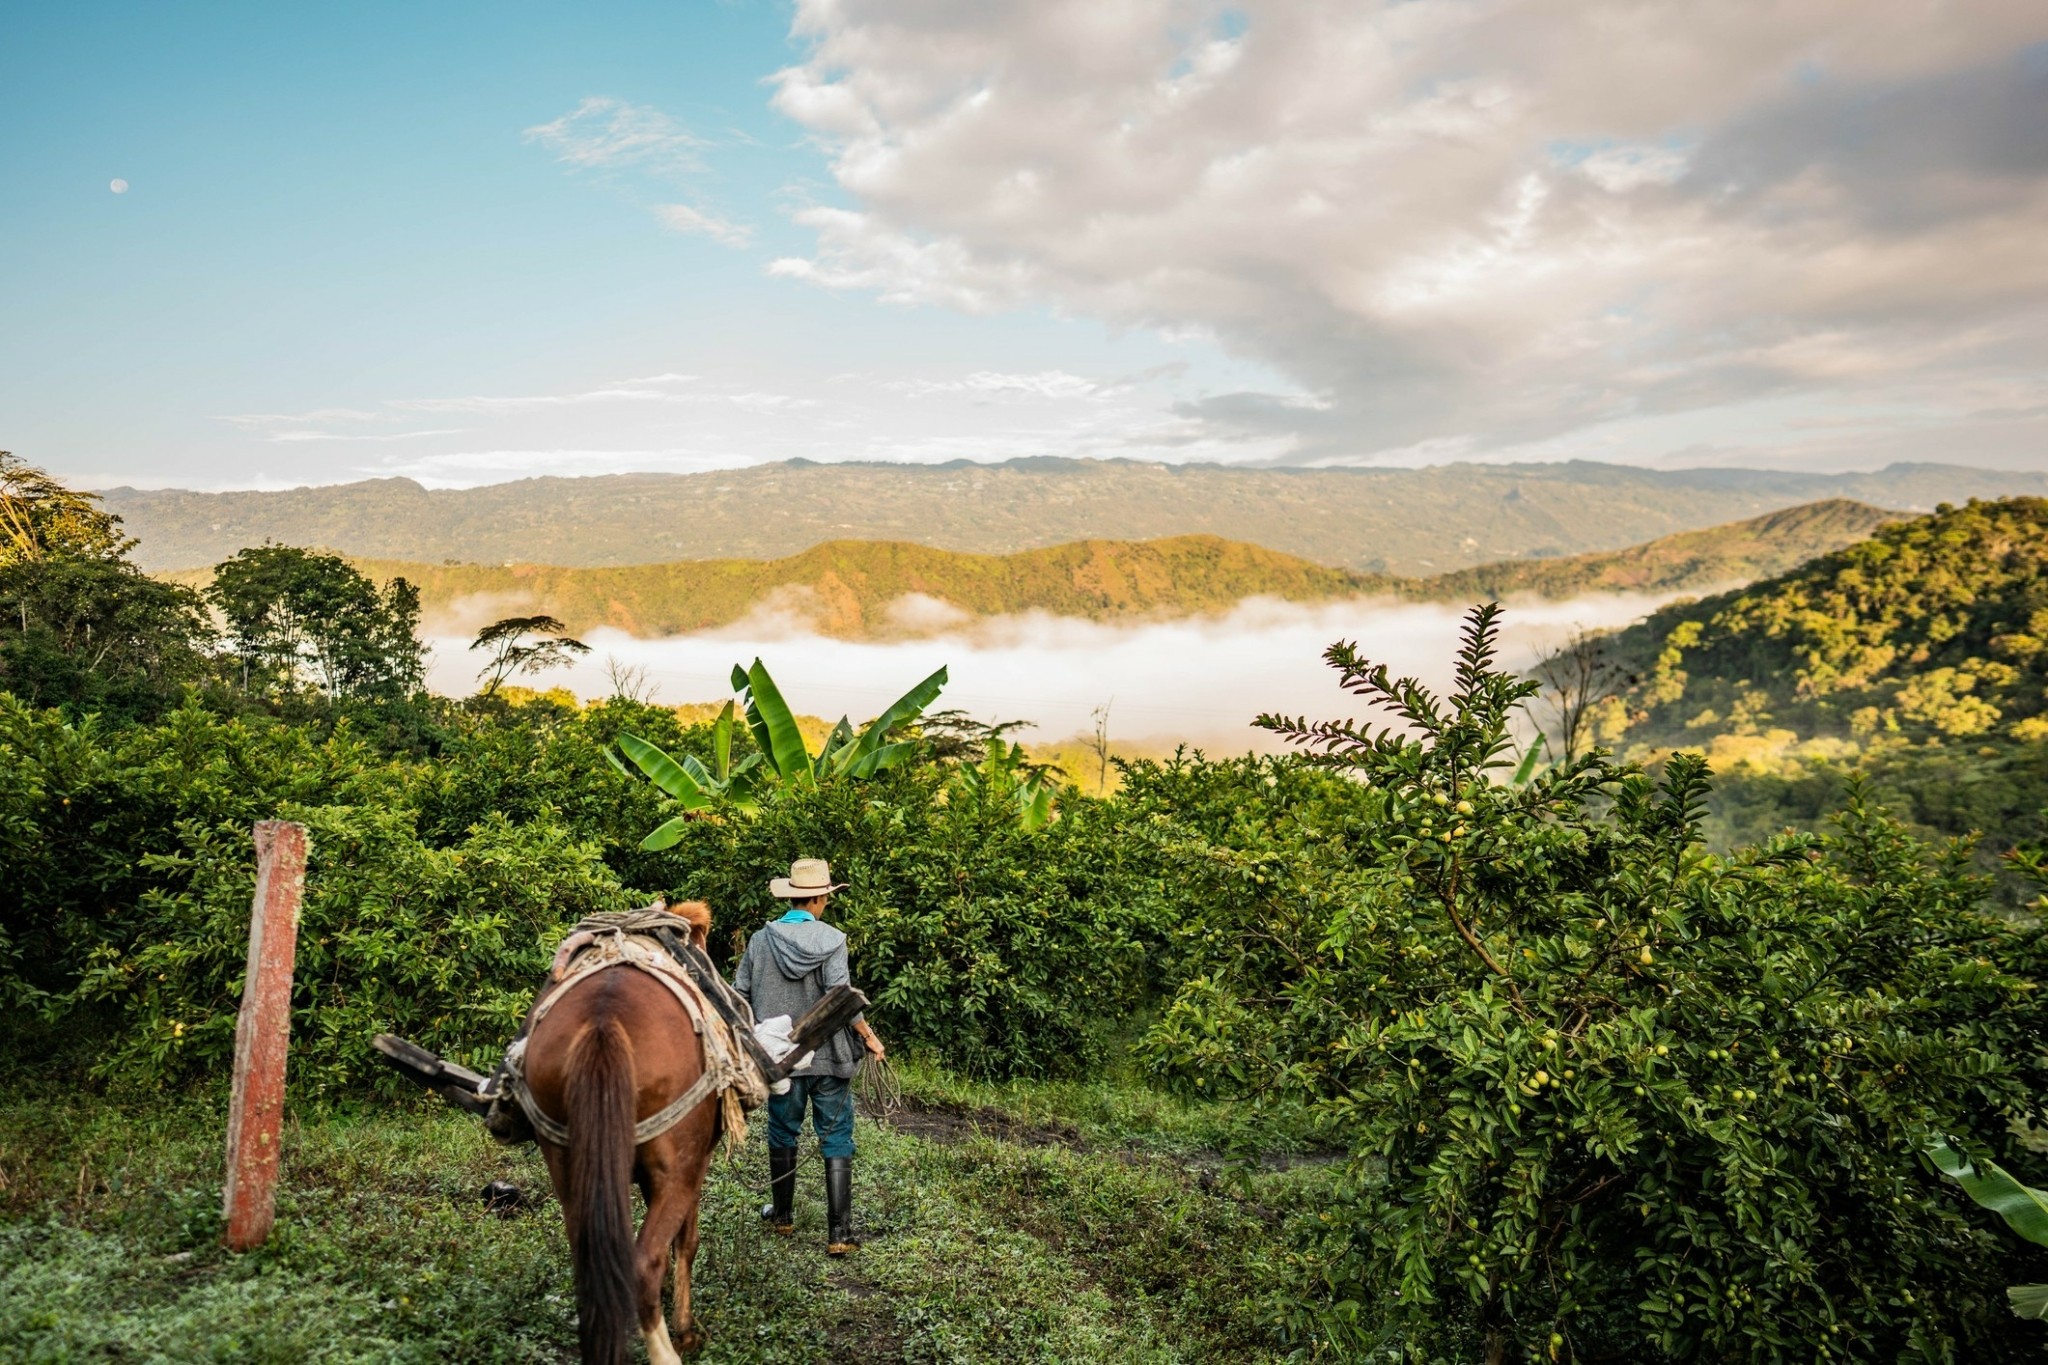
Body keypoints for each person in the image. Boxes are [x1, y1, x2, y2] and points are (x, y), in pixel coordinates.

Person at [730, 857, 885, 1256]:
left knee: (783, 1132)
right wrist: (869, 1037)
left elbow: (740, 995)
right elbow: (842, 996)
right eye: (826, 898)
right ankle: (839, 1234)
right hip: (830, 1055)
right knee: (837, 1137)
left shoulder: (760, 941)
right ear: (817, 898)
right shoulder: (833, 939)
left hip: (781, 1058)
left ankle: (782, 1217)